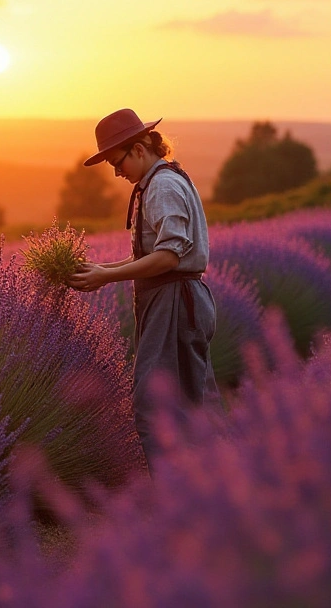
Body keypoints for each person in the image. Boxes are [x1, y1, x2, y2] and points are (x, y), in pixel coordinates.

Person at [68, 108, 219, 465]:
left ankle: (178, 502)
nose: (117, 172)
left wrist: (106, 277)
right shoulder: (158, 182)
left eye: (117, 162)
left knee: (154, 406)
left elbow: (168, 258)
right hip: (176, 299)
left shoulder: (162, 186)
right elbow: (153, 256)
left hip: (174, 301)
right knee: (192, 403)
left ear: (138, 149)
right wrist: (102, 268)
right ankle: (214, 495)